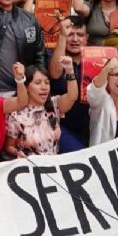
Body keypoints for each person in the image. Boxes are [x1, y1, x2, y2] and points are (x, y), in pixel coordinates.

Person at [5, 60, 77, 157]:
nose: (44, 87)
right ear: (26, 87)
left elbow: (72, 96)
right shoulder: (15, 114)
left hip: (53, 164)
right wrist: (18, 154)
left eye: (47, 83)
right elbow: (9, 146)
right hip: (31, 167)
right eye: (38, 83)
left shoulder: (54, 105)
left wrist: (69, 70)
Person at [48, 16, 91, 152]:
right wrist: (62, 36)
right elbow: (55, 73)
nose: (75, 39)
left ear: (87, 38)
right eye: (70, 34)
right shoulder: (53, 55)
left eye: (80, 35)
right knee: (78, 154)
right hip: (61, 124)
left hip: (90, 123)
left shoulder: (95, 59)